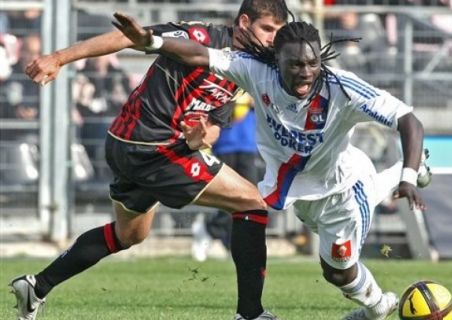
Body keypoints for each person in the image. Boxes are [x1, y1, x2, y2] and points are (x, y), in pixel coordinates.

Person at [113, 16, 432, 320]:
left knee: (338, 271)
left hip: (343, 190)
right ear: (276, 60)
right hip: (300, 190)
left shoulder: (342, 88)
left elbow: (408, 120)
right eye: (295, 64)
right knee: (330, 264)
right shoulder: (255, 71)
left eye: (312, 63)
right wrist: (151, 41)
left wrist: (408, 177)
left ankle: (377, 307)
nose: (306, 72)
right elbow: (200, 54)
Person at [12, 2, 289, 320]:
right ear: (244, 22)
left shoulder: (244, 69)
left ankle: (37, 286)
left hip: (133, 146)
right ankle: (251, 314)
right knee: (251, 203)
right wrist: (58, 58)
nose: (272, 39)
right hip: (151, 144)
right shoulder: (200, 36)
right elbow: (132, 37)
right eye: (267, 29)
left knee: (128, 235)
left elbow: (212, 126)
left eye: (278, 33)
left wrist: (200, 137)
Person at [192, 94, 259, 262]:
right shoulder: (224, 83)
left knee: (250, 200)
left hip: (247, 145)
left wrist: (255, 100)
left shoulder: (253, 81)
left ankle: (229, 242)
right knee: (229, 198)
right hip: (224, 145)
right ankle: (211, 230)